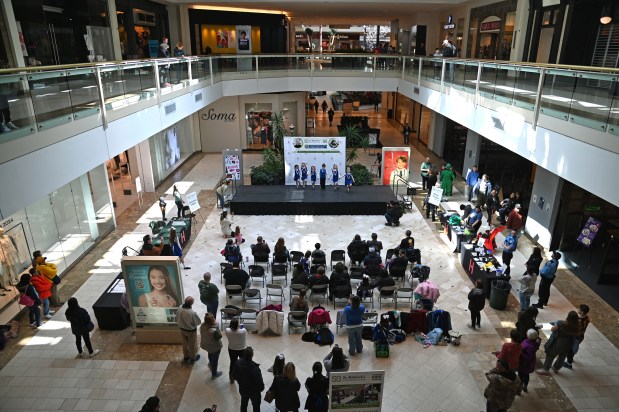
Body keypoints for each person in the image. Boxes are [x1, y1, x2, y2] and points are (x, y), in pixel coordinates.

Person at [536, 310, 580, 375]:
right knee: (562, 357)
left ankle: (546, 369)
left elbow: (553, 329)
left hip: (559, 341)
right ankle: (556, 368)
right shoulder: (577, 327)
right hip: (568, 343)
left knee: (551, 354)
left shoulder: (561, 323)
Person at [233, 347, 264, 412]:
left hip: (243, 389)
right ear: (252, 355)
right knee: (256, 407)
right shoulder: (255, 369)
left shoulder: (238, 363)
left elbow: (234, 376)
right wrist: (260, 389)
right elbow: (260, 385)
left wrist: (240, 382)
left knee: (244, 404)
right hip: (254, 393)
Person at [564, 304, 590, 369]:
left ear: (582, 312)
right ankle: (571, 359)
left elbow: (574, 329)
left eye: (579, 309)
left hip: (575, 337)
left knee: (570, 349)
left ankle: (569, 363)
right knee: (574, 347)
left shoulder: (578, 321)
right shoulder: (587, 318)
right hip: (581, 336)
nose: (578, 309)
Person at [177, 296, 201, 364]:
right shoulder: (192, 313)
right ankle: (193, 358)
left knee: (184, 344)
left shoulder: (180, 307)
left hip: (182, 329)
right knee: (192, 344)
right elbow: (198, 322)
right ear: (191, 303)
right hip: (190, 331)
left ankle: (186, 357)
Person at [200, 313, 224, 379]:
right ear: (212, 320)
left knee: (209, 353)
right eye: (213, 318)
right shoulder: (214, 331)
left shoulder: (202, 325)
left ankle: (210, 363)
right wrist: (217, 326)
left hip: (207, 345)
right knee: (215, 360)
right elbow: (219, 336)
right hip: (215, 347)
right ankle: (214, 374)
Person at [226, 318, 247, 383]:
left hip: (232, 349)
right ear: (237, 325)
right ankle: (243, 376)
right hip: (242, 349)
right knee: (243, 362)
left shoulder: (227, 331)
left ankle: (231, 378)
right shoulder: (243, 331)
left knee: (232, 362)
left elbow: (229, 328)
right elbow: (243, 329)